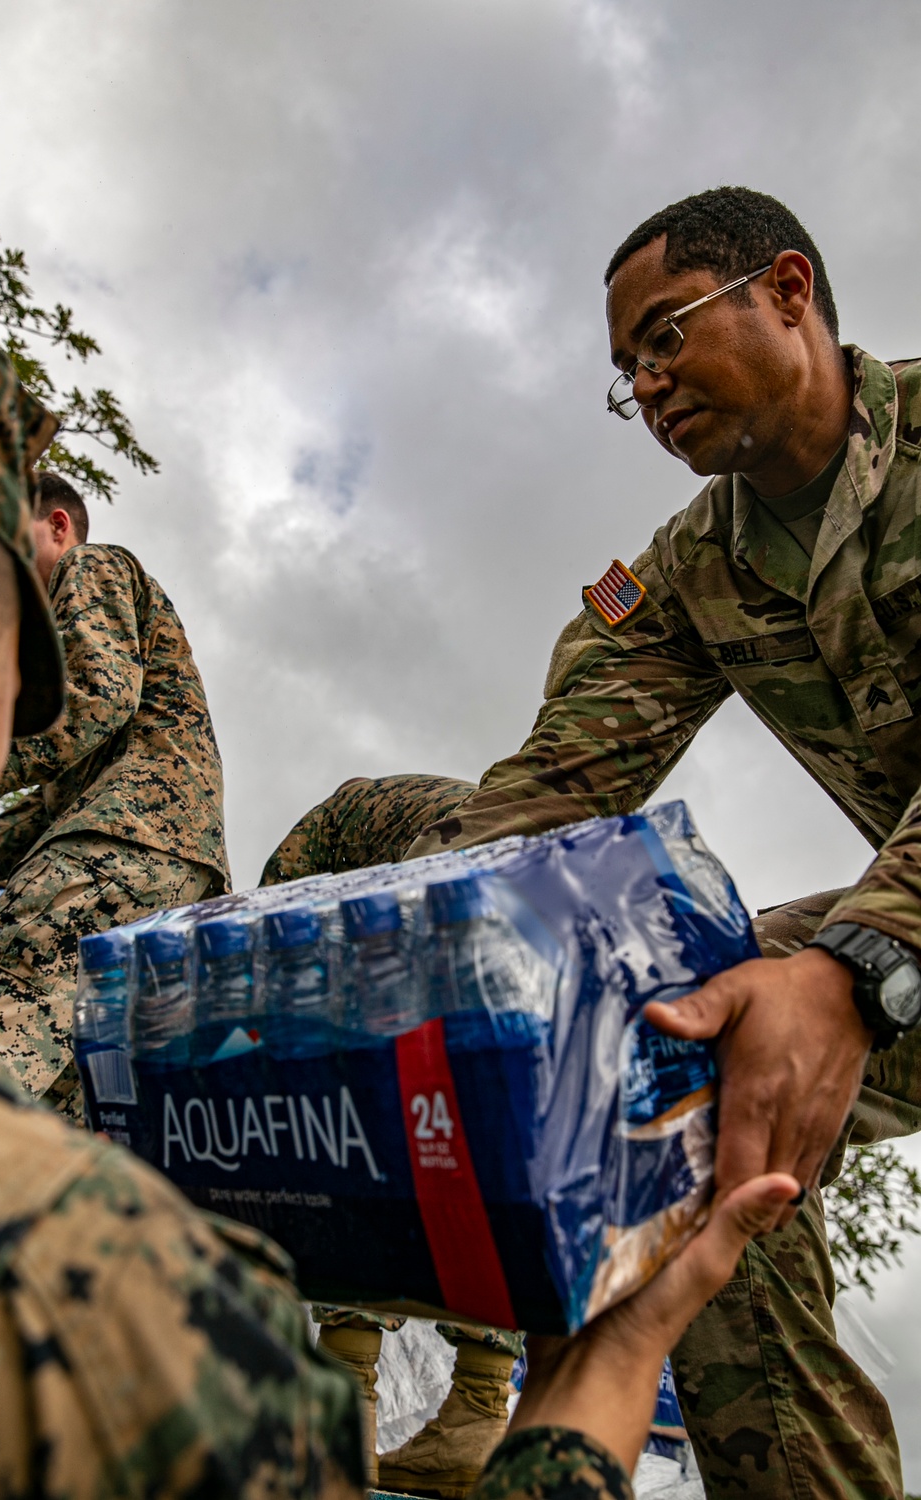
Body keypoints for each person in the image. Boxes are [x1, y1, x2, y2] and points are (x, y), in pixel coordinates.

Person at [0, 327, 798, 1498]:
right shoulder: (330, 878)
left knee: (381, 1078)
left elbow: (85, 707)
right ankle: (402, 1374)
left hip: (144, 863)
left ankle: (456, 1387)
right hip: (221, 883)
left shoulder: (95, 574)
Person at [265, 187, 921, 1500]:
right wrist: (428, 947)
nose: (646, 382)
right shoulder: (689, 571)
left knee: (769, 1003)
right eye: (628, 370)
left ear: (788, 291)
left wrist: (861, 962)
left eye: (665, 336)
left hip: (898, 936)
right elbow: (550, 791)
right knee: (676, 1053)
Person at [0, 469, 230, 1119]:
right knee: (56, 1107)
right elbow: (37, 812)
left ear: (57, 526)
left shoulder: (92, 565)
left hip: (117, 852)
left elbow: (94, 695)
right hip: (160, 874)